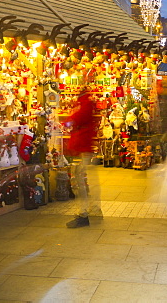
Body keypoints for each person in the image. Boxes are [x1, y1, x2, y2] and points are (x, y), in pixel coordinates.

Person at [64, 87, 100, 228]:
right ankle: (95, 209)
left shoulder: (85, 104)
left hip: (83, 149)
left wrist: (67, 122)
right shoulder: (87, 104)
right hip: (85, 148)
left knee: (80, 180)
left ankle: (83, 213)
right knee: (87, 179)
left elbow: (77, 118)